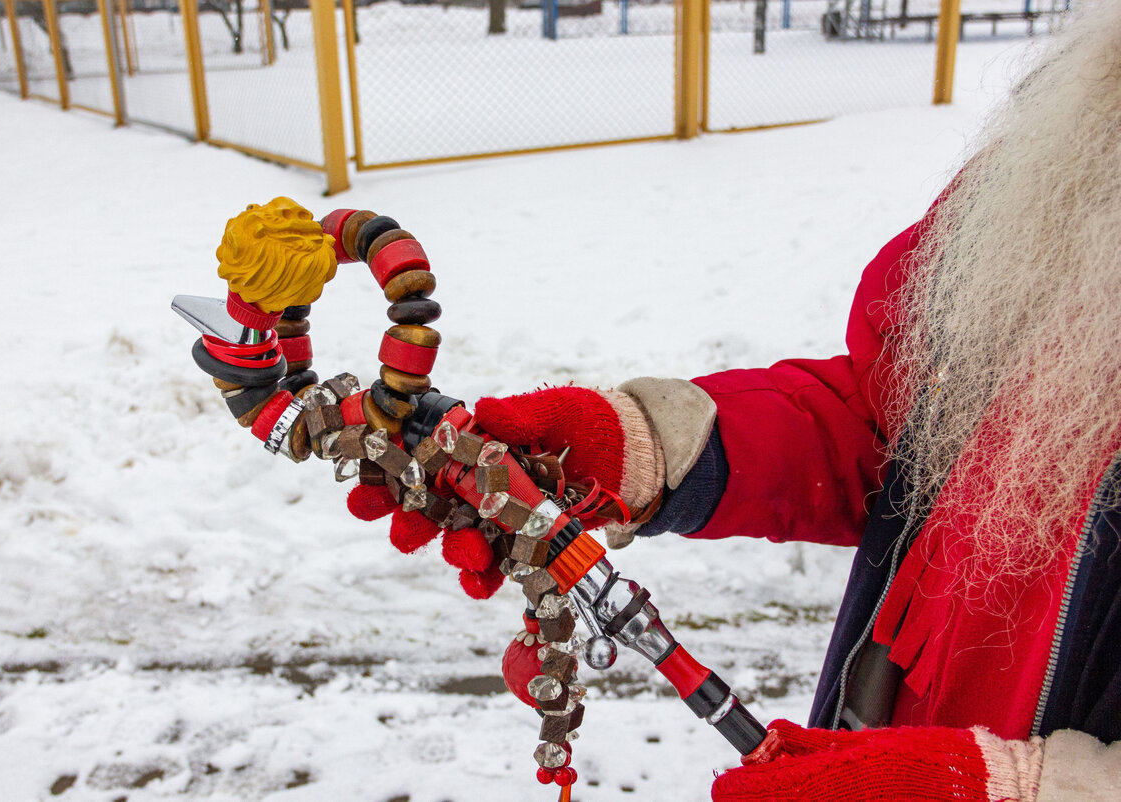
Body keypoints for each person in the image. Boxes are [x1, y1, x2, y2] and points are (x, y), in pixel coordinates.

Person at [349, 1, 1121, 797]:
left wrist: (1036, 787)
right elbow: (900, 422)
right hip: (887, 731)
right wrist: (648, 446)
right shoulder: (1075, 136)